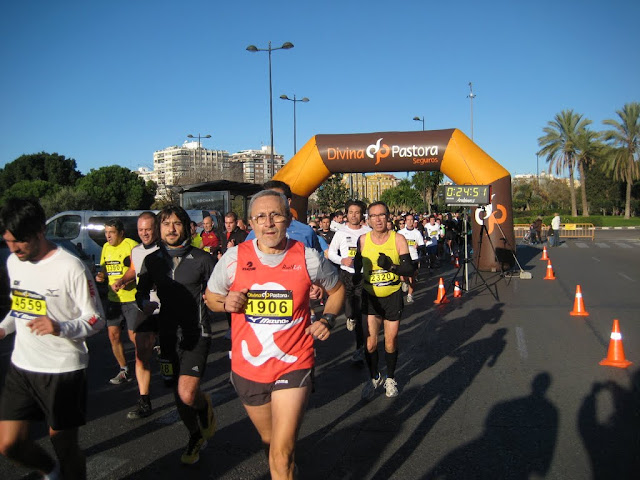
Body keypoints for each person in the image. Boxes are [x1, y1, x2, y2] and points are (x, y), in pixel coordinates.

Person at [205, 189, 344, 480]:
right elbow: (211, 297)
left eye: (276, 215)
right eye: (260, 217)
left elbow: (337, 289)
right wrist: (225, 303)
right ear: (251, 223)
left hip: (294, 361)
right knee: (272, 444)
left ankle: (285, 467)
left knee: (279, 456)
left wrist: (328, 319)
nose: (268, 223)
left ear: (287, 220)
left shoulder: (308, 257)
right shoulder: (233, 258)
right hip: (248, 366)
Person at [0, 198, 104, 480]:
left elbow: (96, 318)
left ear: (38, 233)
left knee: (64, 445)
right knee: (9, 444)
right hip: (22, 365)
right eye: (8, 241)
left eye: (19, 242)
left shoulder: (70, 267)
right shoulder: (14, 262)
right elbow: (20, 307)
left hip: (63, 369)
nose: (13, 248)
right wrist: (4, 328)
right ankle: (51, 471)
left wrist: (60, 327)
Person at [136, 205, 216, 465]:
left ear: (186, 227)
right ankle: (194, 435)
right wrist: (143, 304)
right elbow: (141, 291)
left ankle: (203, 406)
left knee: (187, 393)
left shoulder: (203, 260)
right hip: (168, 335)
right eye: (166, 223)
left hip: (197, 333)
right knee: (177, 394)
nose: (171, 229)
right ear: (159, 229)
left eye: (177, 223)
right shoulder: (152, 261)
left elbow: (222, 291)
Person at [354, 201, 415, 400]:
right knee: (370, 344)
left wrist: (391, 267)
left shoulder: (398, 239)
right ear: (368, 220)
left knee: (390, 340)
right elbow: (357, 265)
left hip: (392, 296)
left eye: (382, 215)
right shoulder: (363, 240)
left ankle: (390, 377)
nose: (378, 219)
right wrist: (355, 273)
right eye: (373, 216)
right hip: (370, 297)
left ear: (388, 217)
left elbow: (409, 270)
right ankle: (374, 377)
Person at [111, 212, 161, 420]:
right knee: (141, 354)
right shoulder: (136, 250)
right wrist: (123, 280)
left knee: (173, 360)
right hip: (145, 306)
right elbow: (134, 269)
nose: (144, 233)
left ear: (156, 228)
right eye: (140, 230)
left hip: (169, 308)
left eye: (148, 229)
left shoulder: (165, 249)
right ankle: (144, 400)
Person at [95, 219, 139, 385]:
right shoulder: (106, 248)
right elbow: (105, 269)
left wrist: (125, 281)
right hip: (114, 299)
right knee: (113, 335)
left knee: (134, 337)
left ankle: (143, 365)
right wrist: (102, 276)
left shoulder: (131, 245)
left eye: (111, 232)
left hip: (131, 298)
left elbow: (139, 269)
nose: (108, 236)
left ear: (121, 233)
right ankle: (124, 370)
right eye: (106, 232)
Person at [328, 200, 371, 362]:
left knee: (359, 312)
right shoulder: (340, 233)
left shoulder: (368, 231)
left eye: (357, 212)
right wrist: (341, 260)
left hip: (362, 276)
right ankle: (350, 316)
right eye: (351, 212)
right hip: (346, 275)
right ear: (346, 214)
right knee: (349, 309)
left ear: (362, 215)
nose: (354, 215)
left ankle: (359, 348)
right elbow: (331, 253)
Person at [397, 213, 424, 304]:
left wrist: (418, 247)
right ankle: (404, 282)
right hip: (403, 257)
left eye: (411, 220)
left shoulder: (417, 233)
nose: (410, 222)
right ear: (405, 221)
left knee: (412, 277)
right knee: (403, 276)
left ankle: (409, 295)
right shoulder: (400, 233)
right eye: (408, 220)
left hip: (414, 257)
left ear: (414, 221)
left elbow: (422, 245)